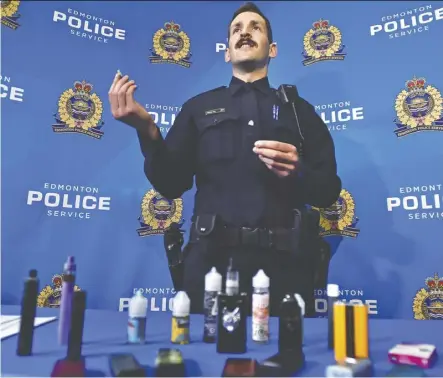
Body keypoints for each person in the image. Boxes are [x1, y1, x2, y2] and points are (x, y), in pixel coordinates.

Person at [108, 2, 341, 315]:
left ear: (272, 49)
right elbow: (171, 183)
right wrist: (147, 131)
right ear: (228, 52)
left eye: (255, 27)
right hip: (209, 267)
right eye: (236, 30)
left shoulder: (300, 113)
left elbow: (328, 192)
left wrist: (299, 171)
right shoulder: (198, 108)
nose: (245, 32)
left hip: (286, 270)